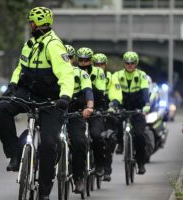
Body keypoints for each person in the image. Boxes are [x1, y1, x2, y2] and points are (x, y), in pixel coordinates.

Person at [0, 7, 75, 200]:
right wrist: (11, 87)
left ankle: (44, 191)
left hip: (51, 100)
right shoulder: (29, 44)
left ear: (39, 24)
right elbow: (20, 68)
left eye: (32, 22)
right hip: (28, 93)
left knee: (48, 144)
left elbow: (66, 74)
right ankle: (14, 154)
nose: (30, 25)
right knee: (1, 110)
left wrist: (65, 97)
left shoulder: (54, 45)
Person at [76, 47, 122, 178]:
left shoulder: (105, 75)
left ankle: (103, 164)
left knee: (101, 136)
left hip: (100, 109)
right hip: (79, 110)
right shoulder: (74, 72)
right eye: (81, 60)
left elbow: (109, 92)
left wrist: (114, 104)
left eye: (101, 64)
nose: (84, 63)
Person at [112, 51, 150, 174]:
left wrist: (147, 105)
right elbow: (115, 91)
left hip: (138, 109)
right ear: (124, 63)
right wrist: (115, 105)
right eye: (127, 63)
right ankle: (120, 144)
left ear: (136, 63)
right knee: (116, 121)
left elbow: (145, 90)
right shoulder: (117, 75)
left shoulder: (141, 75)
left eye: (132, 63)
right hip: (123, 106)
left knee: (140, 135)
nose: (129, 65)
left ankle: (140, 163)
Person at [65, 44, 94, 193]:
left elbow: (88, 90)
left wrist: (89, 106)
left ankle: (78, 178)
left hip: (76, 114)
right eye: (63, 57)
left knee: (79, 142)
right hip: (56, 114)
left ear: (73, 59)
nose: (66, 60)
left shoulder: (81, 74)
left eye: (69, 57)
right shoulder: (52, 72)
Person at [92, 52, 118, 181]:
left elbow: (115, 92)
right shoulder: (90, 75)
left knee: (109, 139)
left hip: (107, 110)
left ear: (105, 65)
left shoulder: (111, 78)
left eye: (101, 64)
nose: (98, 67)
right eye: (96, 64)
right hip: (93, 109)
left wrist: (113, 105)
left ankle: (107, 167)